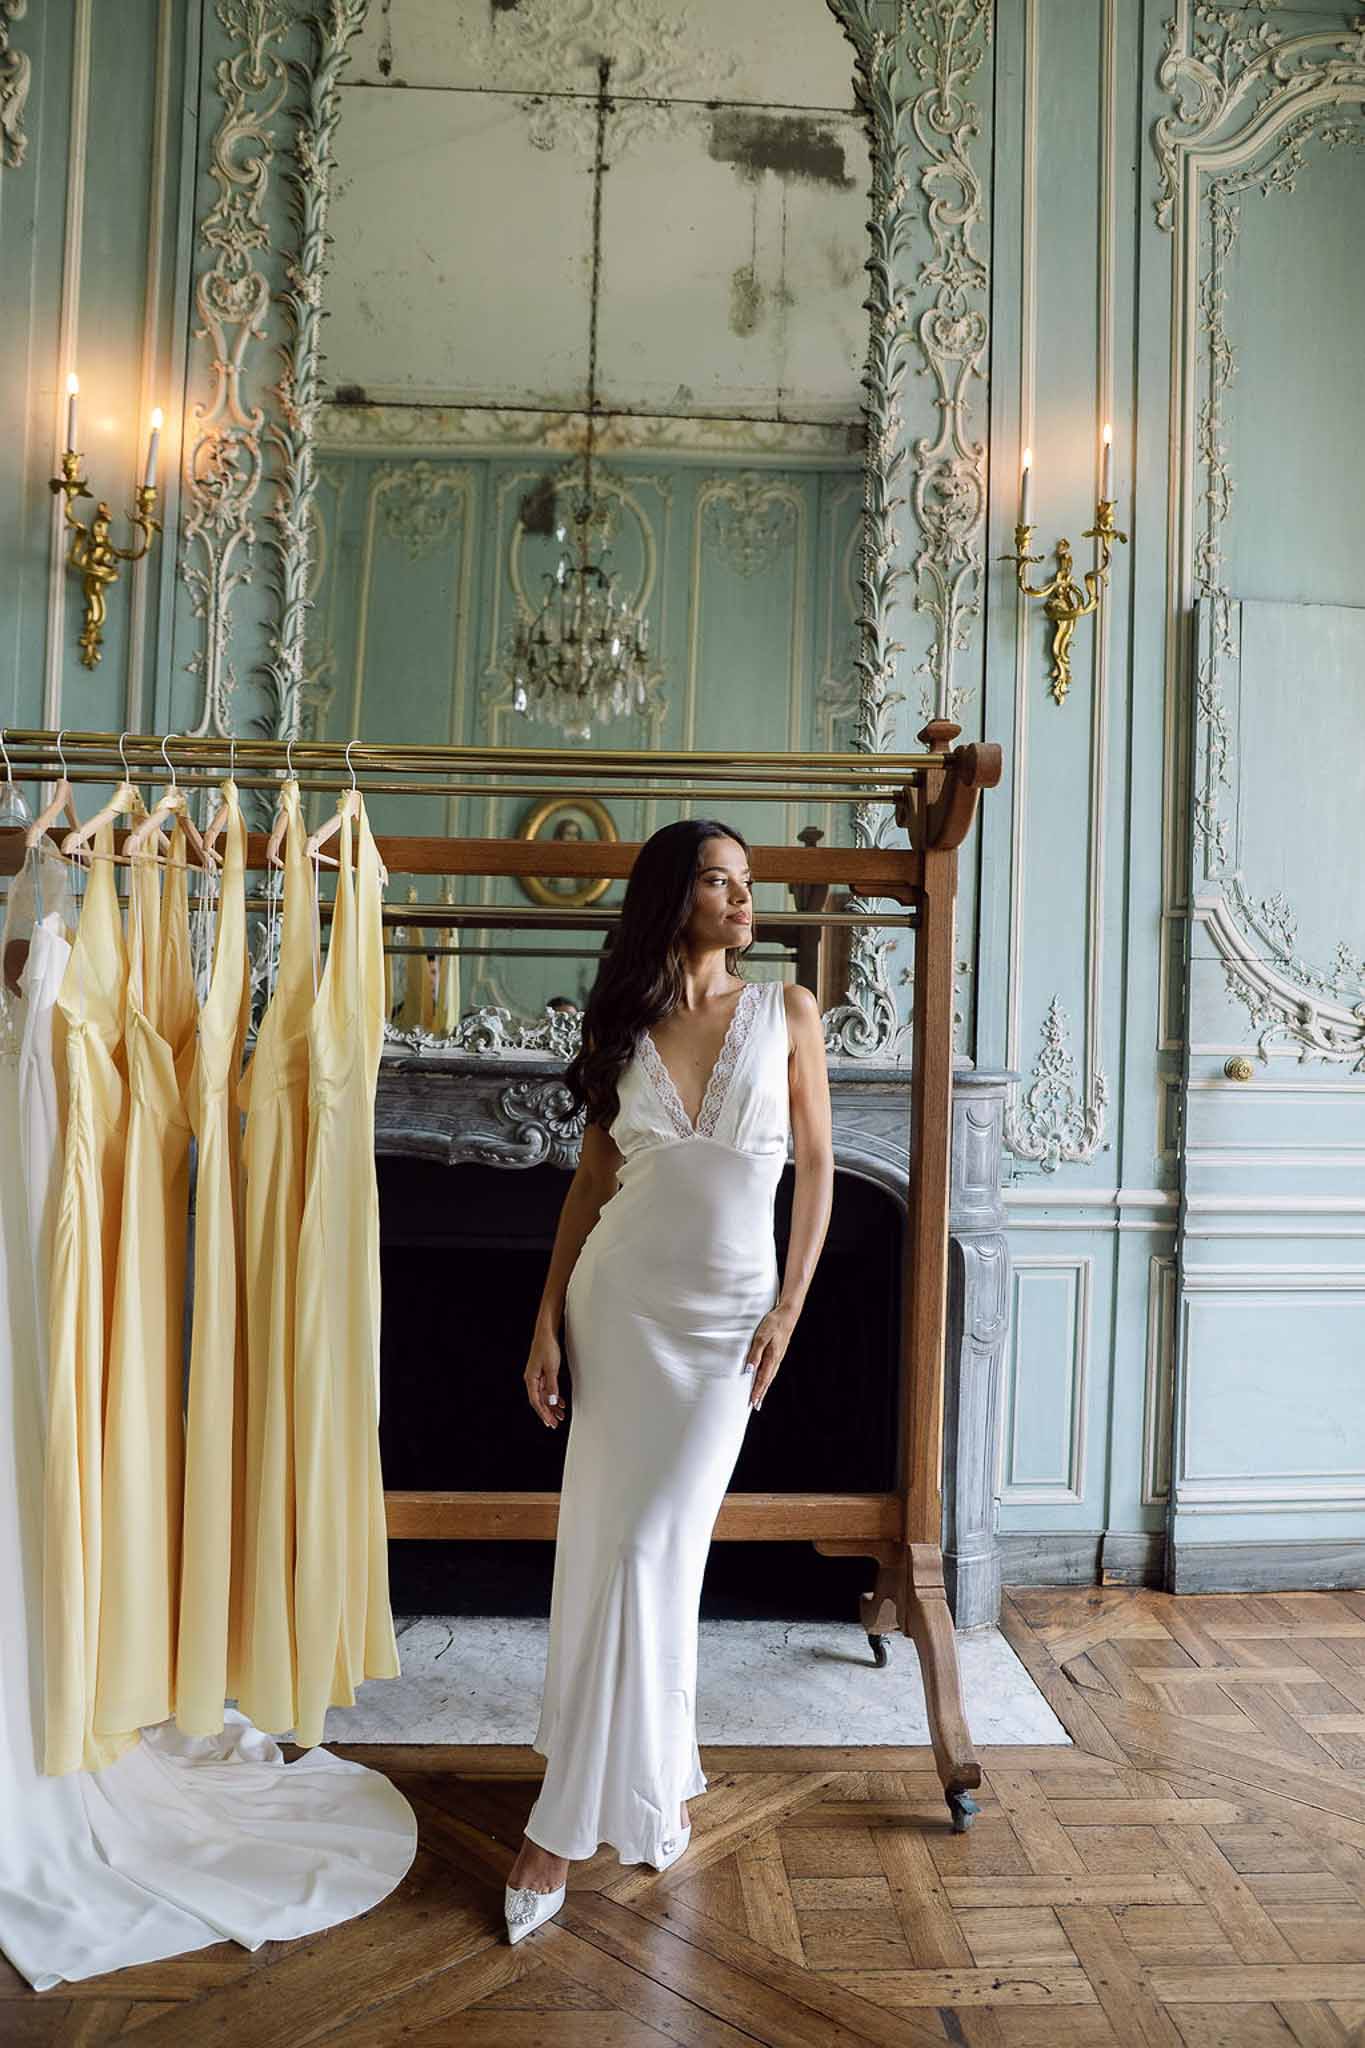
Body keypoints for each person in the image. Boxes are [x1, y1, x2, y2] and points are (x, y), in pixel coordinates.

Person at [504, 819, 834, 1942]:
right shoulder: (630, 1026)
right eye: (718, 879)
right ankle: (655, 1791)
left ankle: (559, 1827)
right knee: (619, 1552)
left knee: (654, 1548)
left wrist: (790, 1306)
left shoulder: (787, 1011)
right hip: (619, 1309)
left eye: (749, 883)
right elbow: (593, 1183)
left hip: (727, 1326)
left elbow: (822, 1166)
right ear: (672, 895)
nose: (744, 898)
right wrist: (548, 1316)